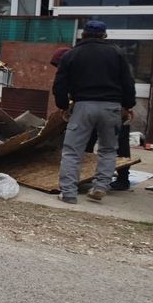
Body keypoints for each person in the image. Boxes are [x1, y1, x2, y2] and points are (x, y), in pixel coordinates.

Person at [52, 21, 136, 203]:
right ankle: (100, 187)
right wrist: (127, 105)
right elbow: (128, 82)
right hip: (111, 107)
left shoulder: (72, 54)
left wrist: (63, 105)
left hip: (83, 106)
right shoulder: (117, 53)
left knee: (72, 151)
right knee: (108, 150)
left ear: (83, 35)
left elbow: (60, 84)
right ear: (104, 35)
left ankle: (68, 193)